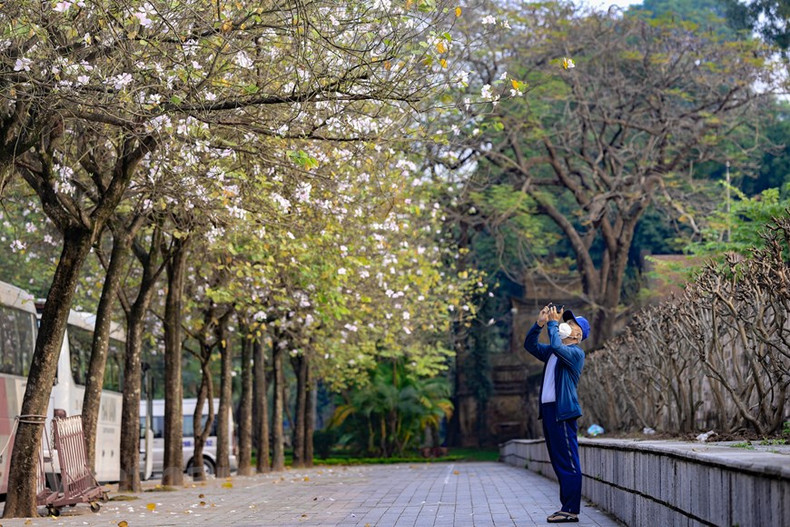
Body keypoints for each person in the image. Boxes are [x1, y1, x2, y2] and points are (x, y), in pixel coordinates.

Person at [524, 304, 590, 524]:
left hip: (563, 412)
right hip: (550, 411)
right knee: (558, 461)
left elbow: (556, 344)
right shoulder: (554, 351)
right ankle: (566, 507)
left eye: (570, 324)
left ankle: (571, 509)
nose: (565, 325)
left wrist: (553, 324)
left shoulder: (574, 353)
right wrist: (540, 324)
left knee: (568, 461)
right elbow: (530, 345)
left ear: (577, 334)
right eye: (566, 322)